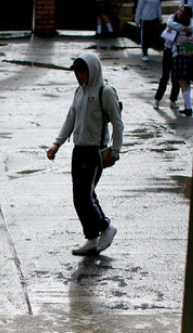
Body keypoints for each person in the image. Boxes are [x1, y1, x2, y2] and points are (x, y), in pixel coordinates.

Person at [46, 53, 123, 256]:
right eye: (77, 72)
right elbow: (70, 119)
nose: (80, 76)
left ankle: (106, 227)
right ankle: (91, 237)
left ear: (93, 70)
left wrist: (115, 151)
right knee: (79, 197)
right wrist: (57, 144)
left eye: (83, 71)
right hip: (78, 150)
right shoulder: (79, 92)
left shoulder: (104, 92)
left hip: (94, 152)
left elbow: (117, 122)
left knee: (84, 195)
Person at [154, 6, 193, 110]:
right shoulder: (173, 17)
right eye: (180, 10)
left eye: (182, 12)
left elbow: (191, 30)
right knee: (165, 76)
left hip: (179, 52)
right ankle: (157, 99)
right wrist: (181, 28)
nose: (179, 13)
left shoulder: (190, 21)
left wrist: (176, 28)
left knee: (176, 78)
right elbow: (170, 24)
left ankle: (173, 100)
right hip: (168, 49)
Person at [171, 9, 193, 116]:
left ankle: (188, 107)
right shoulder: (191, 29)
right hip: (190, 57)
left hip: (180, 57)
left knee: (182, 82)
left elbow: (170, 41)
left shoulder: (176, 28)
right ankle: (188, 106)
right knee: (187, 83)